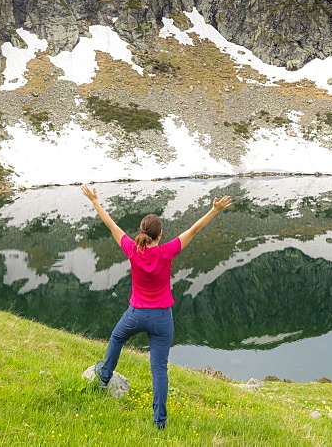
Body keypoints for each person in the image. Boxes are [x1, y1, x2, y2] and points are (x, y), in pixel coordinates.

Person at [81, 184, 232, 430]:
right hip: (162, 319)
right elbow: (193, 229)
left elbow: (111, 225)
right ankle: (159, 422)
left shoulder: (132, 249)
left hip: (135, 314)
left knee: (117, 338)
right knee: (159, 370)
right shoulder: (166, 251)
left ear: (141, 232)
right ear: (160, 235)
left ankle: (104, 377)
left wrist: (95, 201)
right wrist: (214, 210)